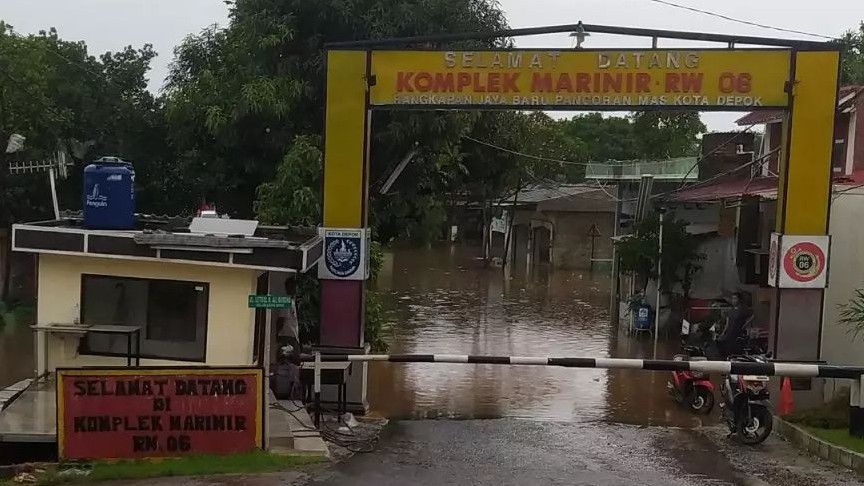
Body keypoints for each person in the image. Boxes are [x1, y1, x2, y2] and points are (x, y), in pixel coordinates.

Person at [717, 292, 752, 358]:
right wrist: (723, 333)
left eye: (735, 298)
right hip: (729, 334)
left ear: (739, 299)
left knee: (735, 351)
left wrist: (745, 326)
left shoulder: (742, 309)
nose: (733, 300)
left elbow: (752, 316)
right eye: (732, 299)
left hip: (737, 334)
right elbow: (727, 323)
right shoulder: (731, 310)